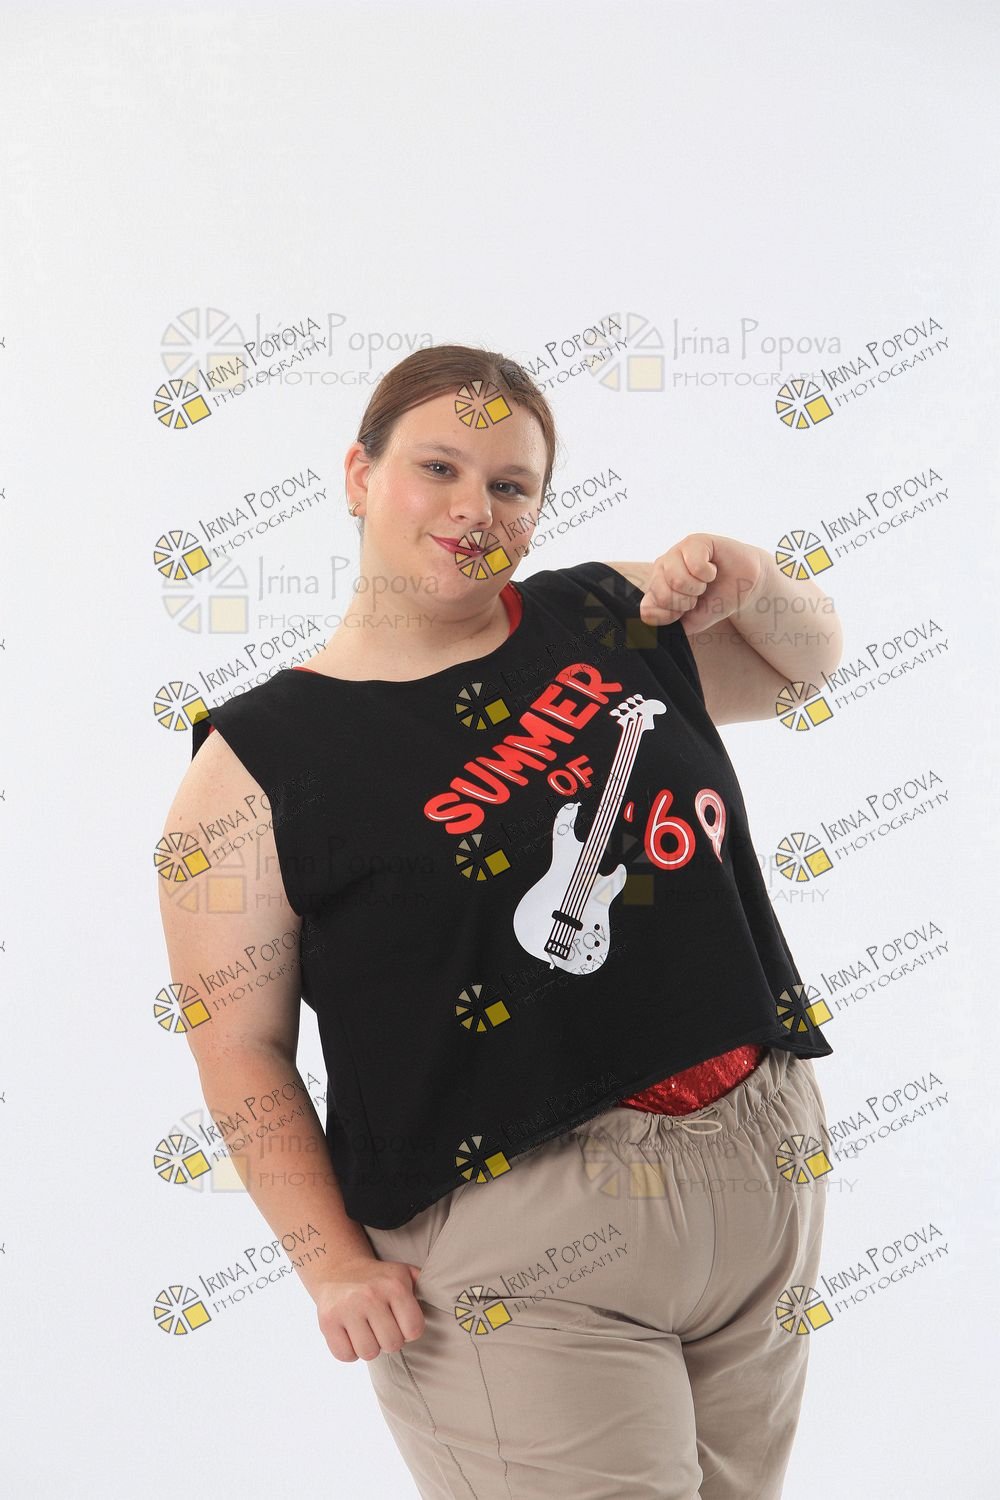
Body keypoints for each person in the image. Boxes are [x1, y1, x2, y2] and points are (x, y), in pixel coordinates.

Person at [159, 344, 840, 1500]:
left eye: (511, 484)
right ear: (360, 474)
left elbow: (799, 671)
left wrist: (753, 578)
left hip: (758, 1155)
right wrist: (329, 1265)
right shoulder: (255, 765)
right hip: (516, 1229)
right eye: (439, 467)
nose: (475, 507)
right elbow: (239, 1047)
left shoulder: (606, 612)